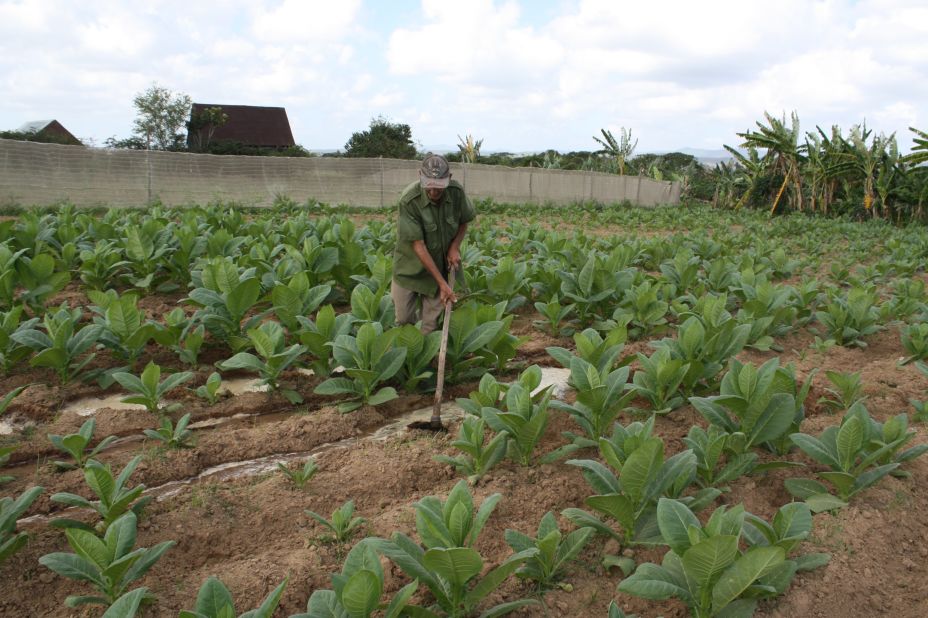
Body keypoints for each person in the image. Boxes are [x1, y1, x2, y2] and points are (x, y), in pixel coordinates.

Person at [392, 153, 475, 334]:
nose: (433, 192)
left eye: (439, 187)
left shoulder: (456, 193)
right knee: (404, 320)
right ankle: (409, 357)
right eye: (429, 185)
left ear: (449, 178)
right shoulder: (408, 200)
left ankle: (427, 360)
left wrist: (454, 247)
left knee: (430, 326)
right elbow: (418, 245)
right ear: (419, 175)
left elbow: (464, 221)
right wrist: (442, 284)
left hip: (440, 266)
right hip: (409, 269)